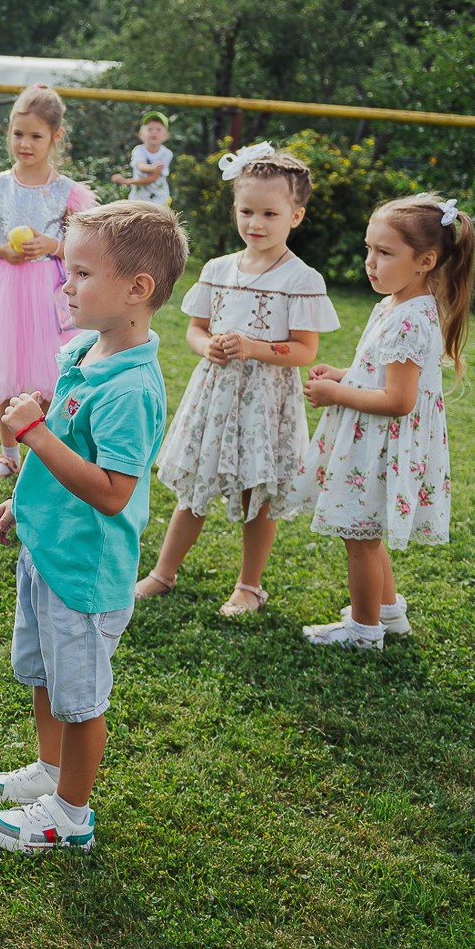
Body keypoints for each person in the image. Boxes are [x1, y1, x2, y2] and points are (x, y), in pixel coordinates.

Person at [0, 200, 188, 853]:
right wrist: (25, 503)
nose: (65, 285)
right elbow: (68, 448)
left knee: (81, 697)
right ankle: (50, 769)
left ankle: (71, 813)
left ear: (136, 290)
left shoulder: (130, 390)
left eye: (81, 274)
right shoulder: (85, 352)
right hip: (48, 550)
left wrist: (33, 436)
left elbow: (114, 492)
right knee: (44, 675)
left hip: (84, 571)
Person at [135, 145, 340, 615]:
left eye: (270, 212)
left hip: (266, 403)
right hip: (216, 394)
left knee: (256, 493)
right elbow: (195, 327)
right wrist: (205, 346)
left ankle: (249, 586)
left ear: (296, 215)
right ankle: (163, 573)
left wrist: (252, 347)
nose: (256, 223)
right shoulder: (217, 269)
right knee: (195, 490)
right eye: (247, 211)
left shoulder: (301, 279)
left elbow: (306, 350)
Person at [294, 194, 475, 649]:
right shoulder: (395, 303)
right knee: (367, 531)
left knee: (359, 539)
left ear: (426, 261)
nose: (370, 262)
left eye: (385, 252)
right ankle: (389, 614)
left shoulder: (411, 318)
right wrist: (344, 375)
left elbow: (398, 400)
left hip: (382, 446)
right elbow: (380, 372)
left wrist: (335, 393)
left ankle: (363, 632)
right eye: (368, 249)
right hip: (373, 440)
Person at [0, 85, 97, 482]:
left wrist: (54, 244)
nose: (25, 143)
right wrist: (1, 251)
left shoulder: (67, 192)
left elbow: (85, 247)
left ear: (55, 137)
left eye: (35, 135)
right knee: (7, 373)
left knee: (49, 376)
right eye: (18, 134)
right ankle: (9, 455)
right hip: (4, 289)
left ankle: (41, 457)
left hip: (49, 291)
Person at [111, 112, 174, 205]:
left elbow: (153, 178)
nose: (154, 132)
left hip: (159, 200)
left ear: (165, 135)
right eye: (149, 129)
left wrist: (127, 181)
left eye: (158, 129)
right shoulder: (138, 150)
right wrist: (153, 168)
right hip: (137, 199)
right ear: (141, 134)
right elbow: (141, 166)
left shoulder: (167, 154)